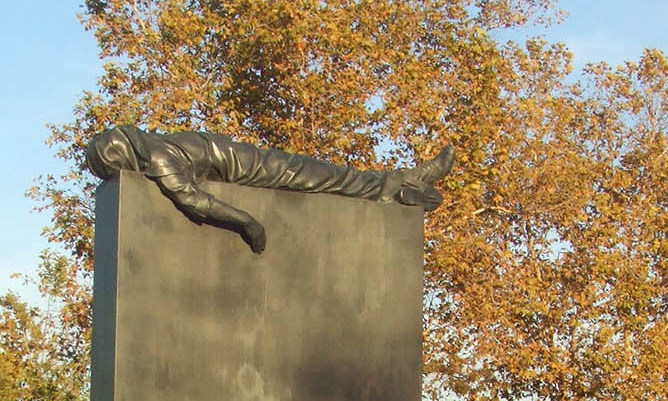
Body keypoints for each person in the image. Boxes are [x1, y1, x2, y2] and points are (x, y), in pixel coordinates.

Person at [85, 125, 455, 253]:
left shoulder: (155, 150)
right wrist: (247, 221)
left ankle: (401, 181)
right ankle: (398, 185)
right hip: (255, 173)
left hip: (250, 162)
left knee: (328, 176)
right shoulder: (158, 159)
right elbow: (194, 201)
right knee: (328, 178)